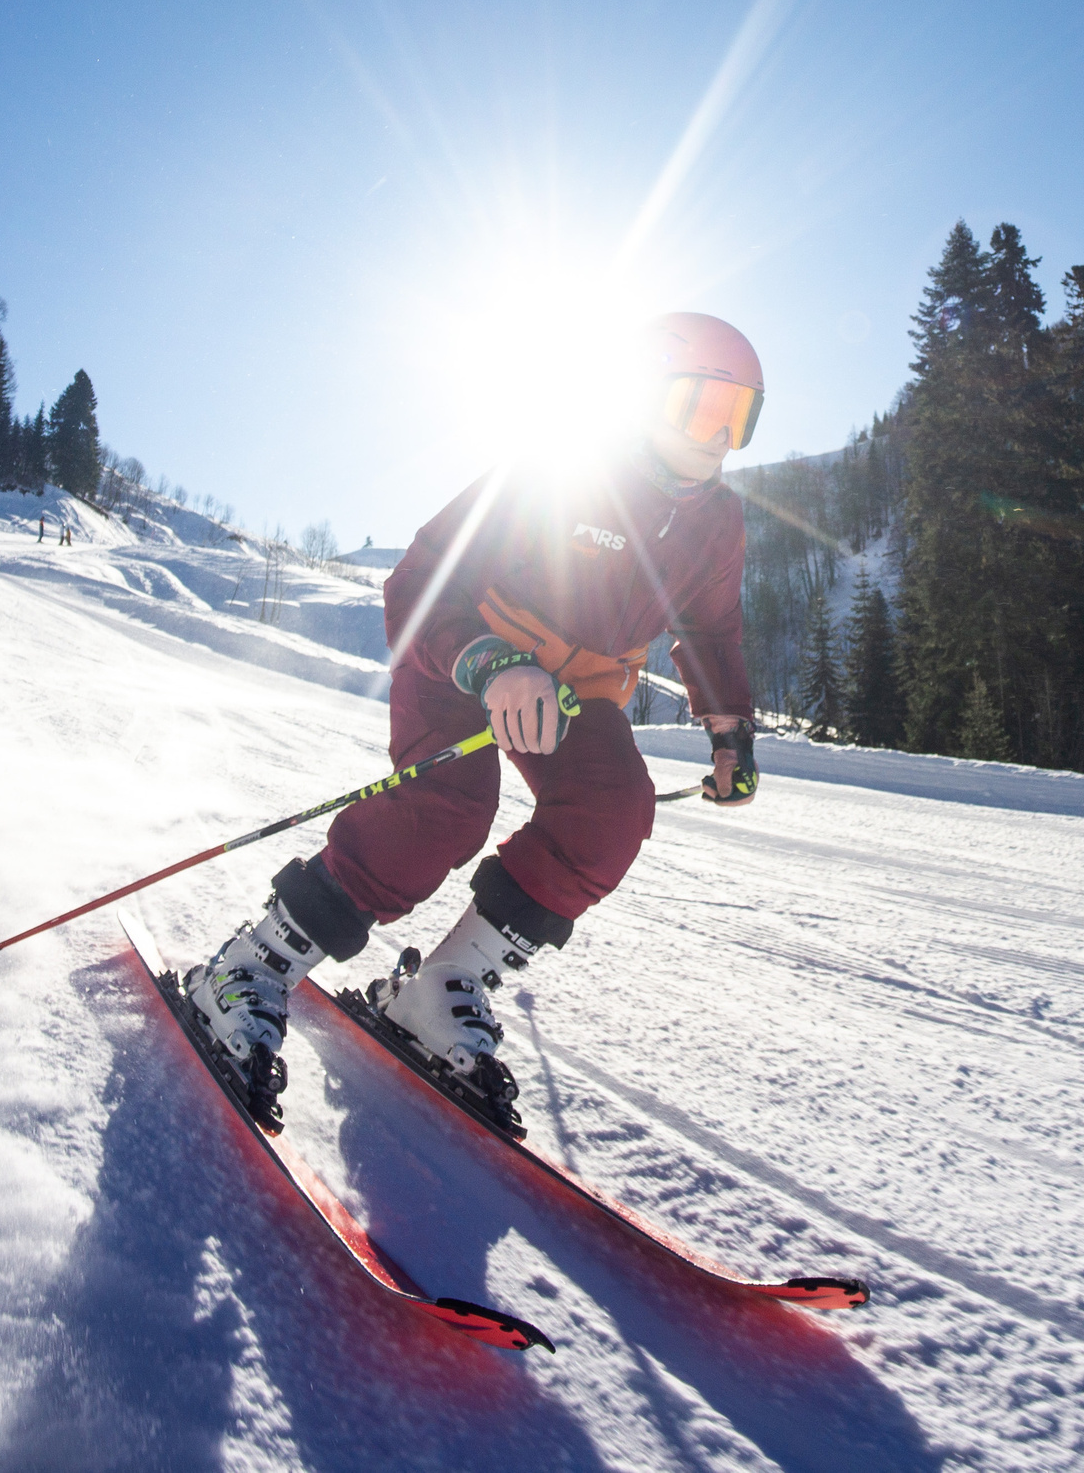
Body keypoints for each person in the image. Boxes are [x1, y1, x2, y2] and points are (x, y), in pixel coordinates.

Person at [184, 313, 764, 1104]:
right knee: (447, 807)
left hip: (577, 690)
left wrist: (730, 729)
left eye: (740, 419)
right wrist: (489, 663)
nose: (718, 438)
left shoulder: (716, 521)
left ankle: (444, 985)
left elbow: (709, 627)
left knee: (612, 808)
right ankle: (252, 965)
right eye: (704, 409)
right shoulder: (563, 466)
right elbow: (420, 577)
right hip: (467, 651)